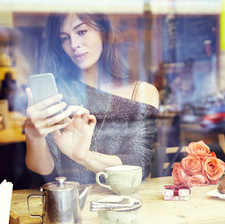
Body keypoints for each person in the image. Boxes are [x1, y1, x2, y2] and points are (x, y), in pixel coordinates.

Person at [24, 13, 159, 186]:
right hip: (69, 207)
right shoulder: (57, 95)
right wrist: (34, 136)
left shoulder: (141, 92)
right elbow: (44, 176)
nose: (74, 44)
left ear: (103, 32)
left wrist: (85, 157)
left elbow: (139, 165)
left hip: (122, 204)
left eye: (81, 32)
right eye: (64, 38)